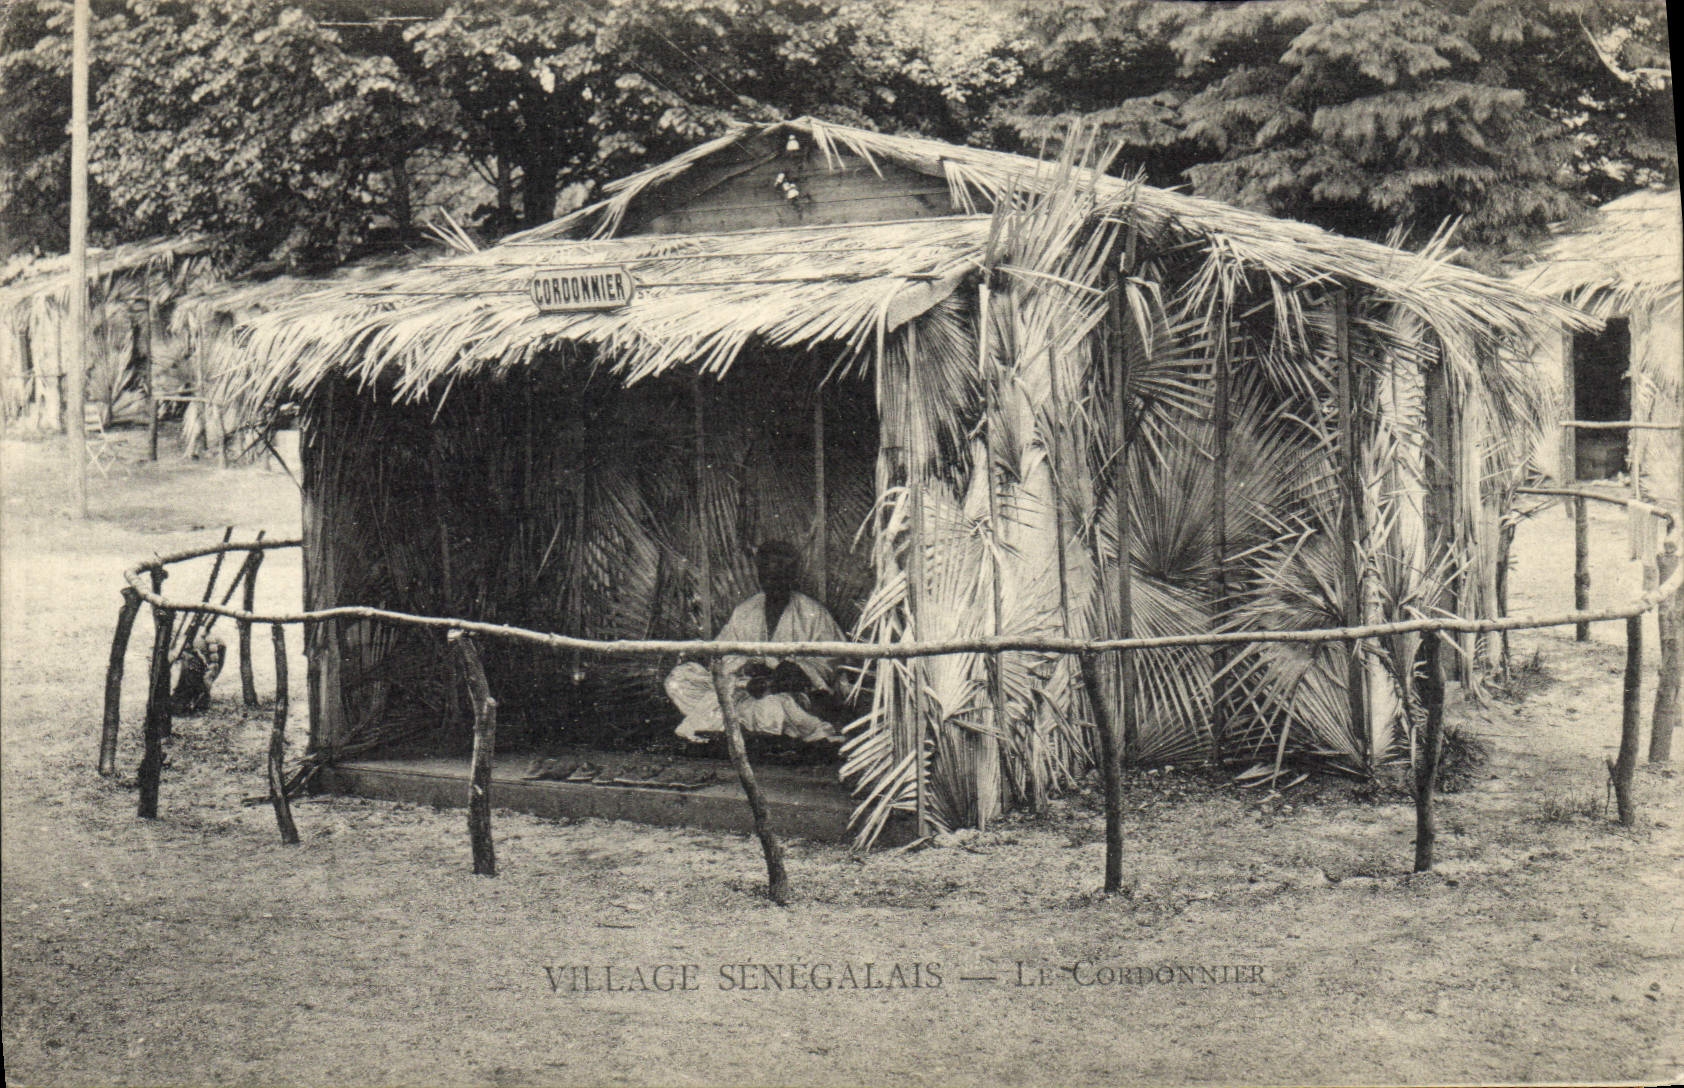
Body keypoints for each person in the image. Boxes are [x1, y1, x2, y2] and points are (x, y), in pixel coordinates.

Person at [665, 540, 847, 745]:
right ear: (759, 576)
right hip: (744, 686)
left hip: (782, 692)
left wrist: (793, 670)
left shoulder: (812, 613)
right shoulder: (745, 611)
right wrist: (745, 666)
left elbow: (831, 661)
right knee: (678, 681)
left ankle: (732, 728)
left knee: (776, 707)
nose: (772, 583)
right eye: (767, 576)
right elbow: (723, 652)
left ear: (791, 576)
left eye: (779, 576)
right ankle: (749, 729)